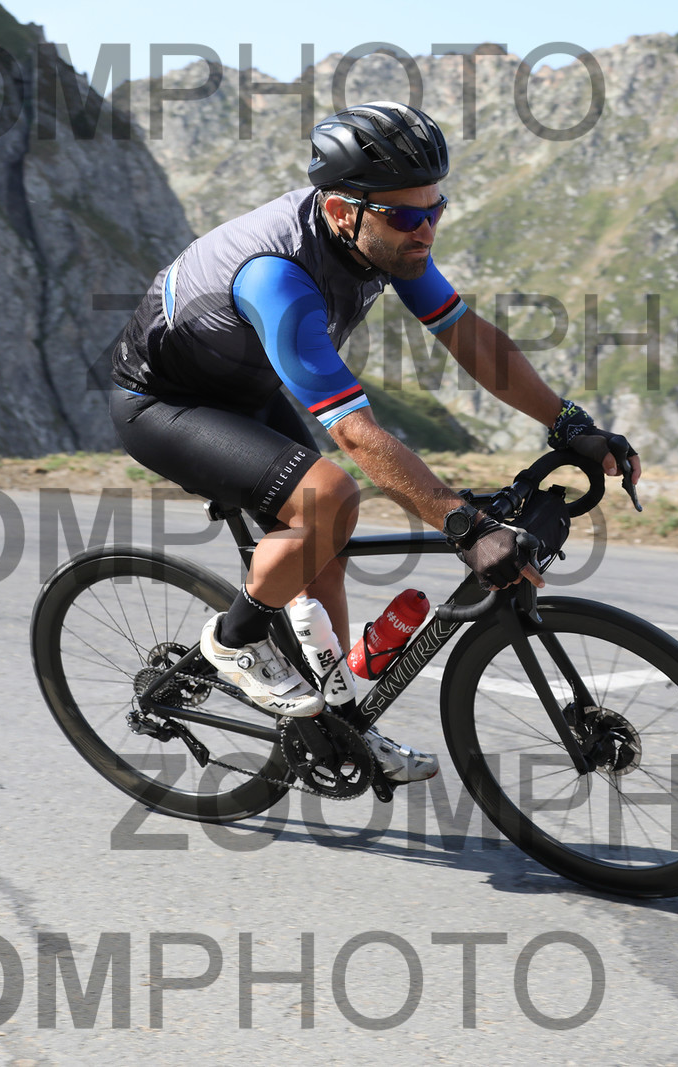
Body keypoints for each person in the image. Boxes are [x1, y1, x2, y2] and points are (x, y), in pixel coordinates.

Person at [109, 101, 640, 784]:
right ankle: (233, 640)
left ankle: (340, 727)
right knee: (330, 496)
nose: (426, 230)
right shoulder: (278, 276)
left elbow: (468, 338)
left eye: (435, 209)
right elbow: (356, 435)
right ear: (341, 212)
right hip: (163, 403)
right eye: (408, 217)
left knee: (322, 552)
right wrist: (466, 525)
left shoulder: (385, 234)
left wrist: (569, 422)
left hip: (244, 389)